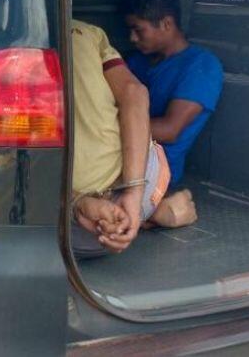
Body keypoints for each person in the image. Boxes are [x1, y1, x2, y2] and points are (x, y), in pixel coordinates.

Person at [70, 19, 195, 257]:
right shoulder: (87, 32)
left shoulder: (2, 49)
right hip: (127, 204)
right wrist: (134, 196)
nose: (132, 39)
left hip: (70, 226)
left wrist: (77, 203)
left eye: (138, 30)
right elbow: (134, 93)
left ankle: (149, 213)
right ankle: (152, 213)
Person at [121, 0, 223, 190]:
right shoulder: (136, 60)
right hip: (117, 155)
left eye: (138, 30)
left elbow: (169, 129)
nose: (132, 38)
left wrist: (101, 128)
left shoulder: (201, 65)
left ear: (167, 24)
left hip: (154, 172)